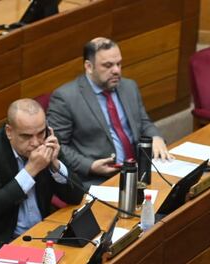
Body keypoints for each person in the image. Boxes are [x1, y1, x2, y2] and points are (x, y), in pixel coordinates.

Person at [0, 98, 83, 264]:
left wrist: (55, 165)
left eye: (40, 133)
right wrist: (31, 170)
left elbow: (76, 196)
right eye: (27, 136)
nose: (36, 142)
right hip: (1, 238)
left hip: (43, 233)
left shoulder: (47, 140)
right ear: (9, 131)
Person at [47, 37, 170, 187]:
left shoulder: (129, 86)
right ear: (89, 66)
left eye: (119, 64)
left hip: (138, 170)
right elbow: (58, 146)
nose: (116, 70)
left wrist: (155, 137)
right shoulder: (66, 98)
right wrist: (90, 165)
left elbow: (143, 122)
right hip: (97, 180)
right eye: (108, 65)